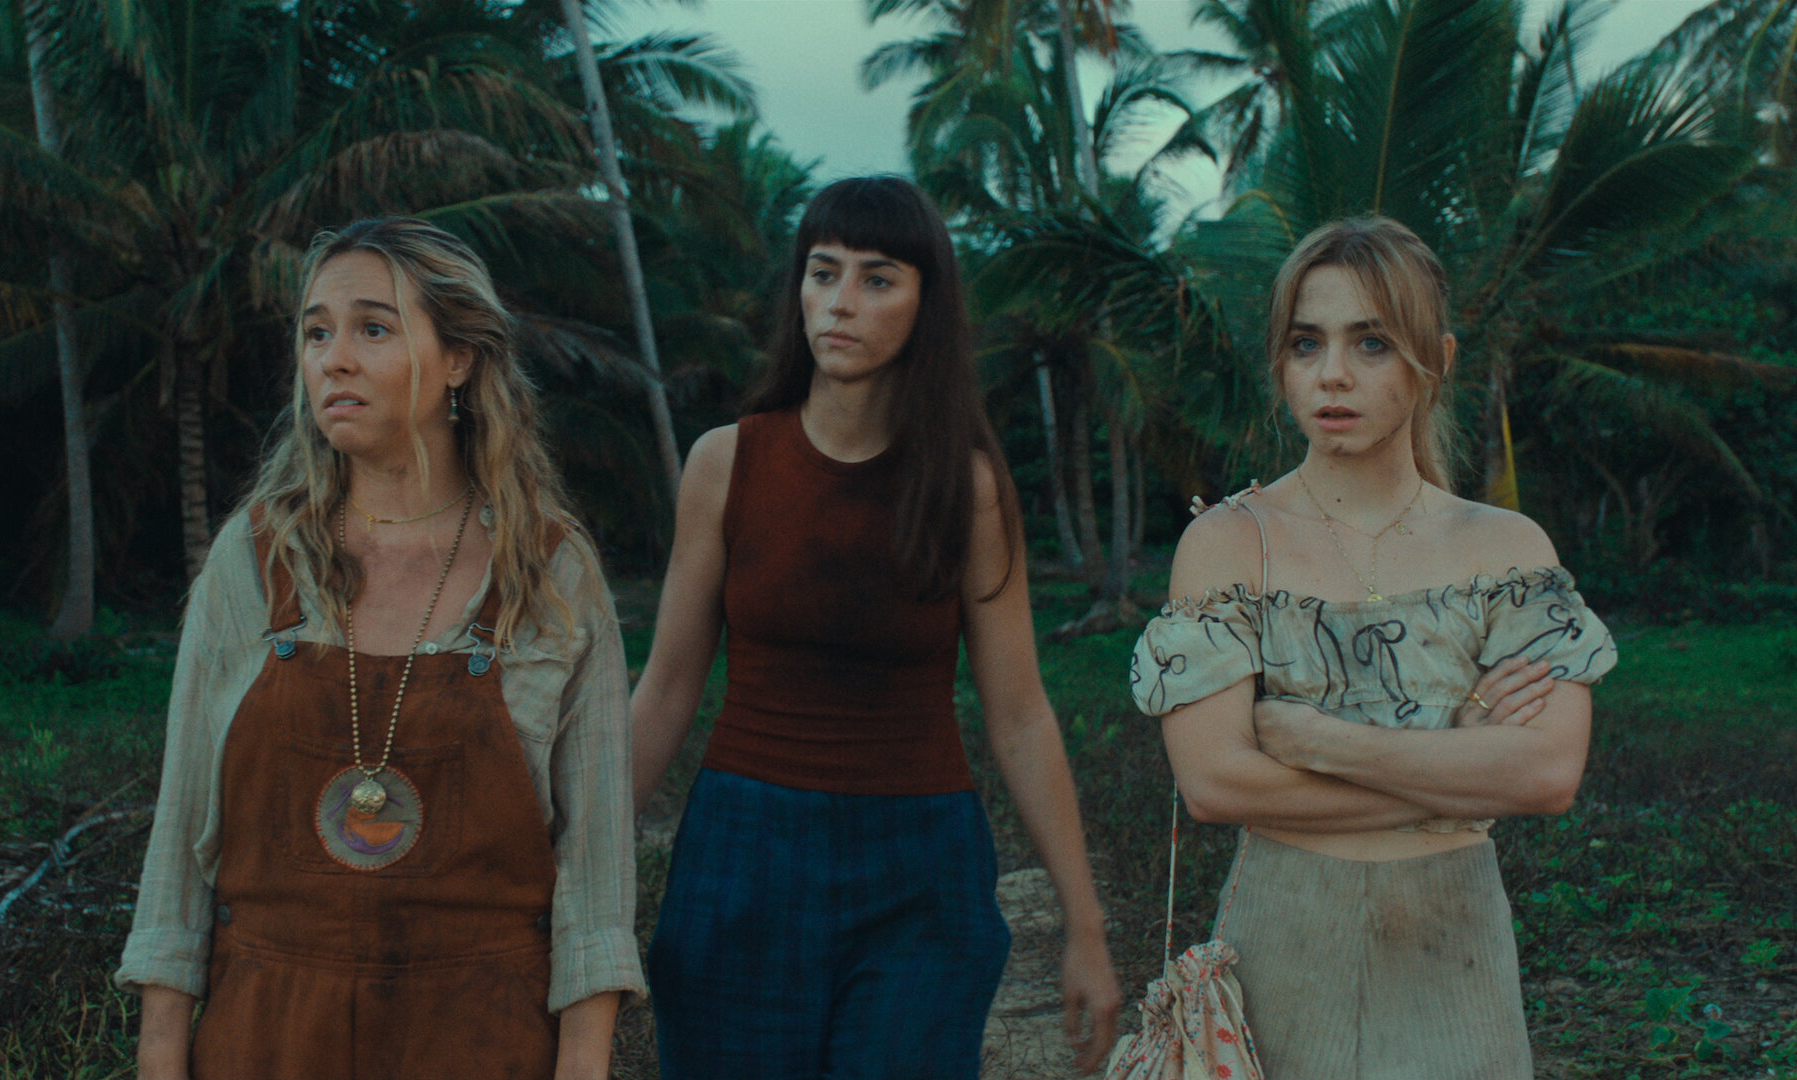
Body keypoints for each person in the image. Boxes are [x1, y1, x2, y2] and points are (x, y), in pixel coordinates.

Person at [116, 217, 643, 1080]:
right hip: (267, 1036)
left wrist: (582, 1068)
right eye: (316, 333)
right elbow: (178, 852)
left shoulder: (549, 572)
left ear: (460, 358)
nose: (334, 360)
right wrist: (159, 1058)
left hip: (479, 1041)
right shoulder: (256, 560)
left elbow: (595, 886)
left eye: (372, 328)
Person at [630, 176, 1122, 1078]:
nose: (842, 302)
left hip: (918, 867)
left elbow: (1020, 716)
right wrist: (576, 879)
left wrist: (1084, 928)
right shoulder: (726, 463)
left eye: (878, 278)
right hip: (742, 854)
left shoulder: (968, 489)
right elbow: (664, 689)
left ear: (927, 303)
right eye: (824, 273)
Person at [1129, 216, 1617, 1079]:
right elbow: (1215, 784)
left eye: (1372, 343)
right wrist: (1458, 764)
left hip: (1455, 951)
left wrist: (1319, 741)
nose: (1333, 374)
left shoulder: (1505, 549)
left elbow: (1546, 774)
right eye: (1306, 343)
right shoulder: (1231, 543)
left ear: (1438, 359)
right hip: (1284, 943)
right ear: (1281, 363)